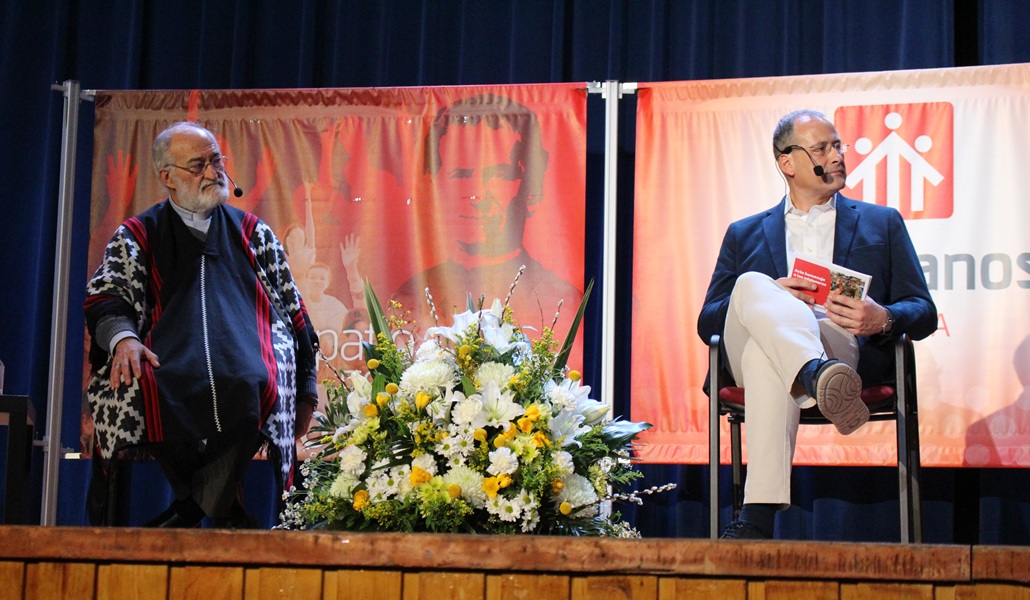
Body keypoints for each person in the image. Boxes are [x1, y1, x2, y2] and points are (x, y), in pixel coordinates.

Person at [697, 109, 937, 540]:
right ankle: (813, 374)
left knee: (769, 358)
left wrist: (883, 318)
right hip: (788, 357)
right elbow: (708, 320)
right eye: (822, 148)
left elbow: (923, 310)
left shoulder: (882, 222)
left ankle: (756, 517)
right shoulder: (744, 233)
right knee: (751, 285)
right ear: (787, 162)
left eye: (838, 145)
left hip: (840, 347)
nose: (838, 155)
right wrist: (769, 295)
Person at [83, 122, 318, 528]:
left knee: (254, 380)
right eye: (198, 165)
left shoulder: (254, 234)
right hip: (163, 360)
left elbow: (294, 312)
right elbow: (107, 296)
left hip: (246, 363)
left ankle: (183, 516)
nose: (213, 173)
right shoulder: (138, 234)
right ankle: (227, 517)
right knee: (143, 383)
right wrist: (123, 340)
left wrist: (308, 391)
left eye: (216, 161)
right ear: (167, 177)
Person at [392, 94, 581, 332]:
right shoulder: (405, 299)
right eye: (460, 175)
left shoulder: (563, 303)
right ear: (434, 190)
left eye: (500, 175)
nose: (477, 195)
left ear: (533, 190)